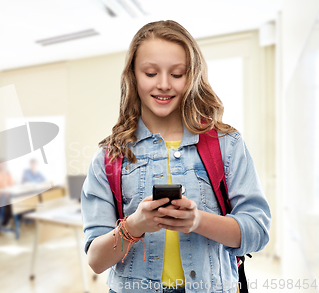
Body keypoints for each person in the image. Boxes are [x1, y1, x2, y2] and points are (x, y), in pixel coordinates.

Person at [81, 20, 271, 293]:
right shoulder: (108, 157)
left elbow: (258, 232)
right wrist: (135, 226)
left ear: (191, 76)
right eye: (150, 73)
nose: (163, 84)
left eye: (177, 74)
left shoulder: (227, 144)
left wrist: (199, 221)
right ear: (133, 76)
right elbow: (96, 260)